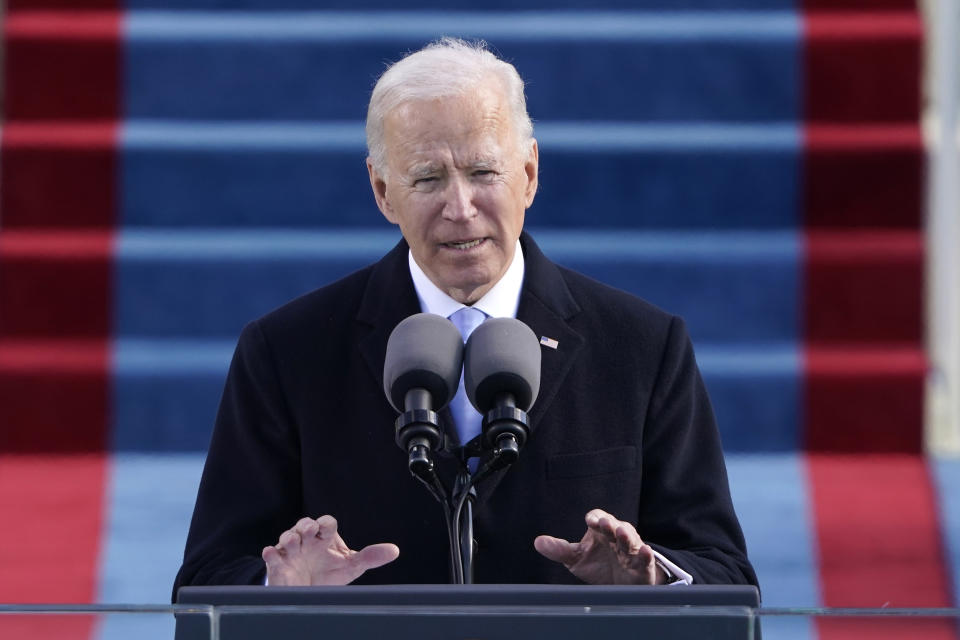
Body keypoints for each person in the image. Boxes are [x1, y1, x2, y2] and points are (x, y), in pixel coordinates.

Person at [173, 38, 757, 595]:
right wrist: (282, 588)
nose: (460, 208)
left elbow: (725, 573)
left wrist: (650, 578)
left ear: (528, 174)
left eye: (483, 173)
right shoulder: (286, 352)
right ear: (382, 191)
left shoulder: (643, 347)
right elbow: (205, 579)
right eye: (427, 178)